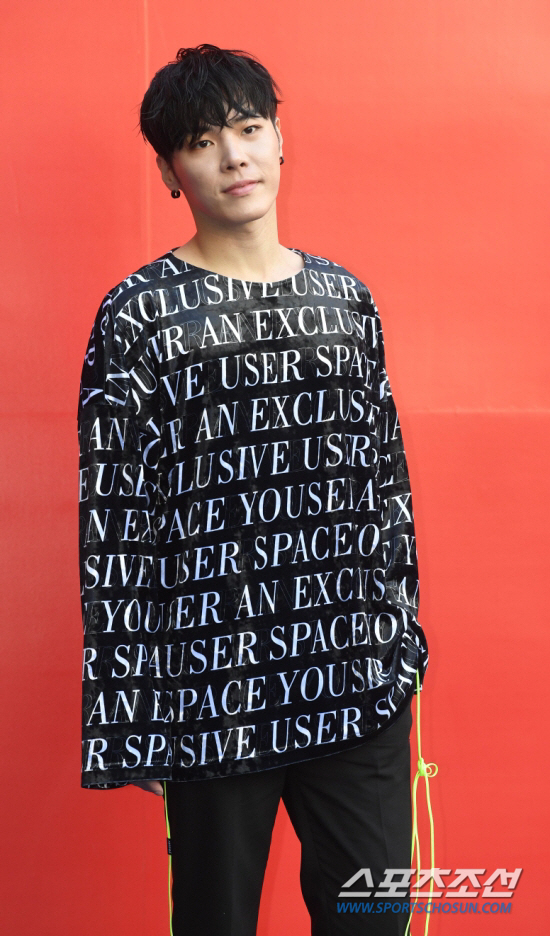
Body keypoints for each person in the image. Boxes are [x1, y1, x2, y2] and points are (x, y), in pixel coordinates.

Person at [77, 42, 429, 936]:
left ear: (279, 138)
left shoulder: (346, 300)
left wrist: (400, 644)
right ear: (170, 171)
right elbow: (115, 521)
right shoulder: (138, 316)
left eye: (247, 128)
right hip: (214, 687)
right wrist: (132, 705)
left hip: (355, 680)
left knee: (372, 919)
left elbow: (385, 480)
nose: (233, 156)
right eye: (202, 141)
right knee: (217, 920)